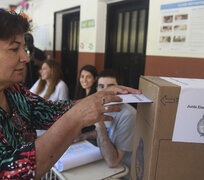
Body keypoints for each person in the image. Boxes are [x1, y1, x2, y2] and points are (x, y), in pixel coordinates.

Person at [0, 9, 141, 179]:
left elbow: (49, 111)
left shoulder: (14, 92)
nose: (26, 58)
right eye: (15, 49)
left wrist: (95, 99)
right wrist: (76, 117)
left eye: (24, 48)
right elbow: (13, 170)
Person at [95, 69, 137, 179]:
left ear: (120, 89)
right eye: (101, 86)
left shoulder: (128, 115)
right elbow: (108, 134)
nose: (105, 91)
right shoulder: (103, 107)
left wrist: (99, 123)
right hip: (103, 166)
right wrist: (83, 136)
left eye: (111, 86)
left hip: (120, 174)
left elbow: (113, 162)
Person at [74, 65, 98, 143]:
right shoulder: (80, 95)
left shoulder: (95, 98)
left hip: (90, 137)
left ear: (95, 79)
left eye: (88, 77)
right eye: (82, 76)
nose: (84, 80)